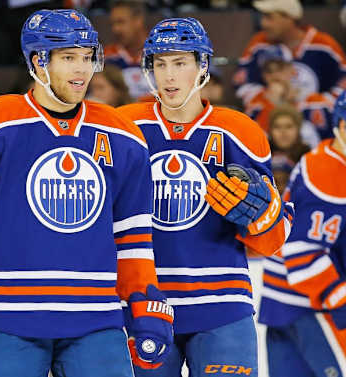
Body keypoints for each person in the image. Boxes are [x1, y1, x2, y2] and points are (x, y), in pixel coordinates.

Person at [0, 9, 173, 376]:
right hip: (6, 315)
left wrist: (143, 301)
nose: (82, 70)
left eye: (87, 58)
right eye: (69, 58)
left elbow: (132, 235)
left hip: (96, 316)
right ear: (38, 61)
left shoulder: (123, 135)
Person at [118, 18, 293, 377]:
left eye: (180, 63)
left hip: (223, 305)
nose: (169, 77)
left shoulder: (241, 131)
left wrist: (262, 217)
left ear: (202, 66)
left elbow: (273, 241)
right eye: (160, 64)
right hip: (141, 303)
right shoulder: (122, 127)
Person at [259, 90, 346, 377]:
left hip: (287, 303)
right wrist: (341, 302)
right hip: (308, 306)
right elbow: (302, 253)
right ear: (342, 126)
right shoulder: (328, 173)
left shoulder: (327, 157)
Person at [234, 0, 346, 106]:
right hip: (270, 119)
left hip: (316, 121)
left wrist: (314, 103)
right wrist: (266, 100)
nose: (263, 23)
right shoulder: (258, 43)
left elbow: (343, 85)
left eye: (269, 17)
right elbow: (241, 83)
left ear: (289, 18)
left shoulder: (324, 45)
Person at [104, 0, 150, 100]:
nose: (116, 29)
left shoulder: (161, 53)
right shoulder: (106, 57)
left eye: (121, 22)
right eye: (113, 24)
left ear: (138, 21)